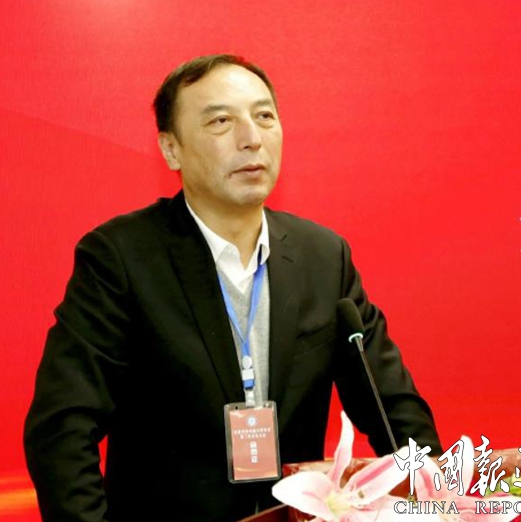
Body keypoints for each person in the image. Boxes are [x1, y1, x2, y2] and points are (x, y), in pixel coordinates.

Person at [24, 54, 441, 522]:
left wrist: (433, 502)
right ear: (171, 149)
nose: (251, 138)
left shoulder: (323, 257)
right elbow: (62, 430)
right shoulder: (120, 258)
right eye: (221, 121)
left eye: (264, 117)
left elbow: (393, 408)